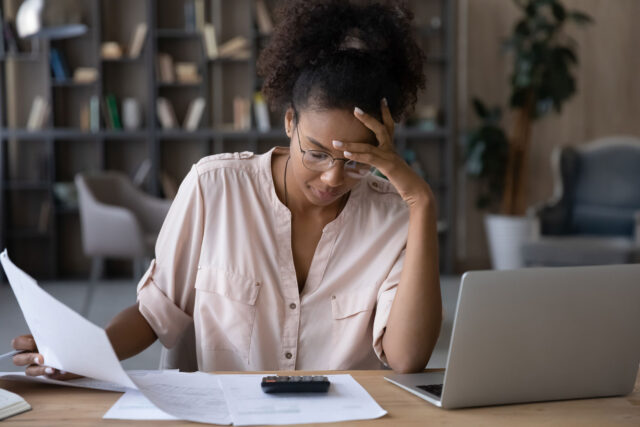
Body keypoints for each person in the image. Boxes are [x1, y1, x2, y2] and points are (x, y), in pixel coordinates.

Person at [12, 0, 442, 376]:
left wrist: (421, 203)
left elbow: (407, 359)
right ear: (289, 123)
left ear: (384, 144)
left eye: (354, 161)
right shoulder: (214, 187)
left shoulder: (395, 216)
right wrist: (85, 356)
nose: (332, 177)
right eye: (316, 153)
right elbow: (156, 313)